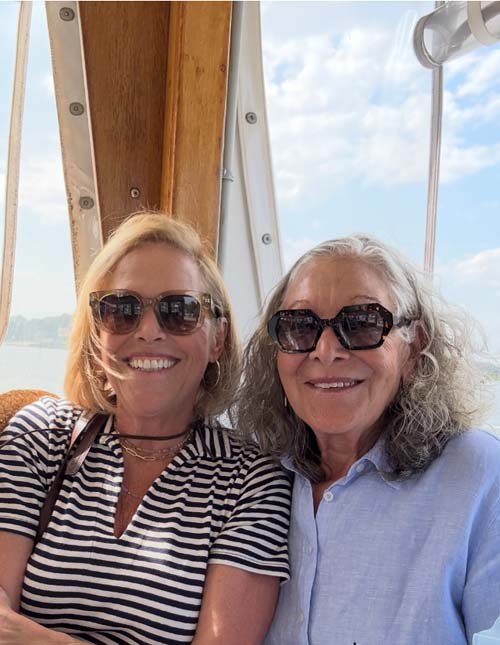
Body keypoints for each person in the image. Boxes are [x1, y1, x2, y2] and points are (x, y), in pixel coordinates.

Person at [0, 212, 291, 644]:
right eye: (121, 310)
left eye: (180, 311)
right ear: (97, 333)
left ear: (217, 338)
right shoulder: (40, 436)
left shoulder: (251, 480)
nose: (149, 331)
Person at [237, 233, 500, 645]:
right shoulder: (249, 474)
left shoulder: (480, 475)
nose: (326, 350)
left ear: (414, 349)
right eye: (300, 326)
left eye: (361, 323)